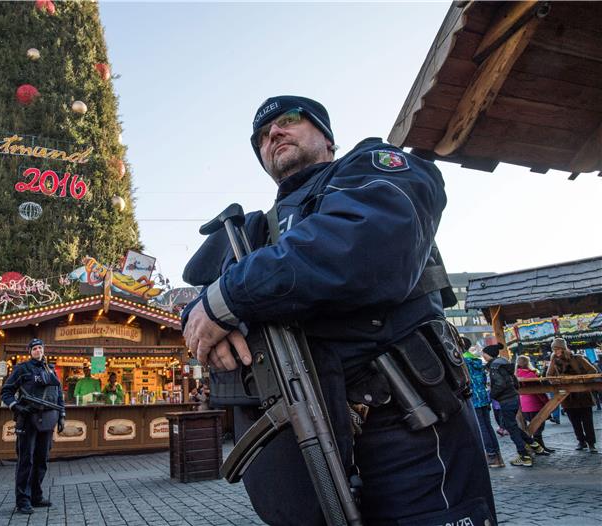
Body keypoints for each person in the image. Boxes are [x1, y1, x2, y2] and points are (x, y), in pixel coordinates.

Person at [182, 95, 495, 525]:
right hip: (312, 441)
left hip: (413, 430)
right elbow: (199, 300)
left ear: (327, 137)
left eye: (288, 120)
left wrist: (229, 298)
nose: (273, 134)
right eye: (261, 136)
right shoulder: (254, 232)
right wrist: (204, 319)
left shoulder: (373, 168)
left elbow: (367, 243)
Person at [0, 339, 65, 514]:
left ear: (44, 350)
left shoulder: (50, 370)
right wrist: (16, 406)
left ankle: (36, 495)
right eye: (35, 349)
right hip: (28, 420)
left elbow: (59, 395)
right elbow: (5, 391)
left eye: (40, 348)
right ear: (30, 351)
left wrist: (62, 417)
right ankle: (23, 500)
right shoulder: (22, 369)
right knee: (26, 461)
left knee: (42, 459)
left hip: (48, 419)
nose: (38, 351)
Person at [483, 344, 548, 467]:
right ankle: (534, 445)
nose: (483, 356)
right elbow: (514, 381)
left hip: (506, 399)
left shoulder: (495, 367)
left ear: (488, 354)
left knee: (511, 429)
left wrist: (492, 394)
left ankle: (524, 456)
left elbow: (500, 384)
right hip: (513, 397)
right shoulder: (504, 364)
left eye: (484, 353)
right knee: (511, 426)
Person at [546, 337, 597, 452]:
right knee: (575, 421)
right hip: (567, 396)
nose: (556, 352)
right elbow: (549, 376)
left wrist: (582, 381)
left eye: (558, 349)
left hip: (582, 394)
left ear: (564, 348)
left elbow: (592, 370)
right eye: (554, 349)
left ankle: (591, 443)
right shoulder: (554, 360)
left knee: (587, 421)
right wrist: (558, 381)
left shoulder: (577, 358)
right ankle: (581, 441)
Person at [463, 341, 503, 467]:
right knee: (488, 426)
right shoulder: (476, 360)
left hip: (474, 398)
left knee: (482, 428)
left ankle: (491, 456)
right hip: (483, 397)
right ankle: (497, 456)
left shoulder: (463, 361)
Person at [515, 356, 553, 453]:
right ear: (528, 363)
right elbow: (539, 392)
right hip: (535, 404)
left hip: (524, 406)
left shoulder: (515, 375)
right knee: (538, 427)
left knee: (530, 427)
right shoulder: (532, 375)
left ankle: (536, 447)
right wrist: (546, 402)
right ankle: (539, 447)